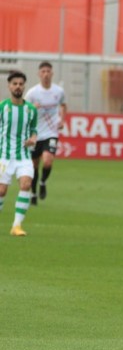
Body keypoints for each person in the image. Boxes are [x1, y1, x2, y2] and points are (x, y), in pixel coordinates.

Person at [0, 71, 38, 236]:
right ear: (9, 86)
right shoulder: (2, 107)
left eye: (21, 84)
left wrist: (33, 139)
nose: (18, 86)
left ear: (24, 86)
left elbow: (34, 130)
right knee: (1, 191)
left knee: (26, 184)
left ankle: (16, 226)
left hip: (23, 156)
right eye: (14, 83)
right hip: (4, 156)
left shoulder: (30, 110)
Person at [25, 61, 66, 205]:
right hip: (36, 134)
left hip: (51, 132)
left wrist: (62, 120)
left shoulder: (58, 91)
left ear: (52, 73)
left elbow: (63, 104)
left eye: (48, 71)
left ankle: (43, 182)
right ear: (39, 74)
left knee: (48, 161)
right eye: (43, 71)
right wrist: (32, 108)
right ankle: (34, 192)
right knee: (34, 165)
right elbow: (24, 111)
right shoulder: (32, 93)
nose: (46, 74)